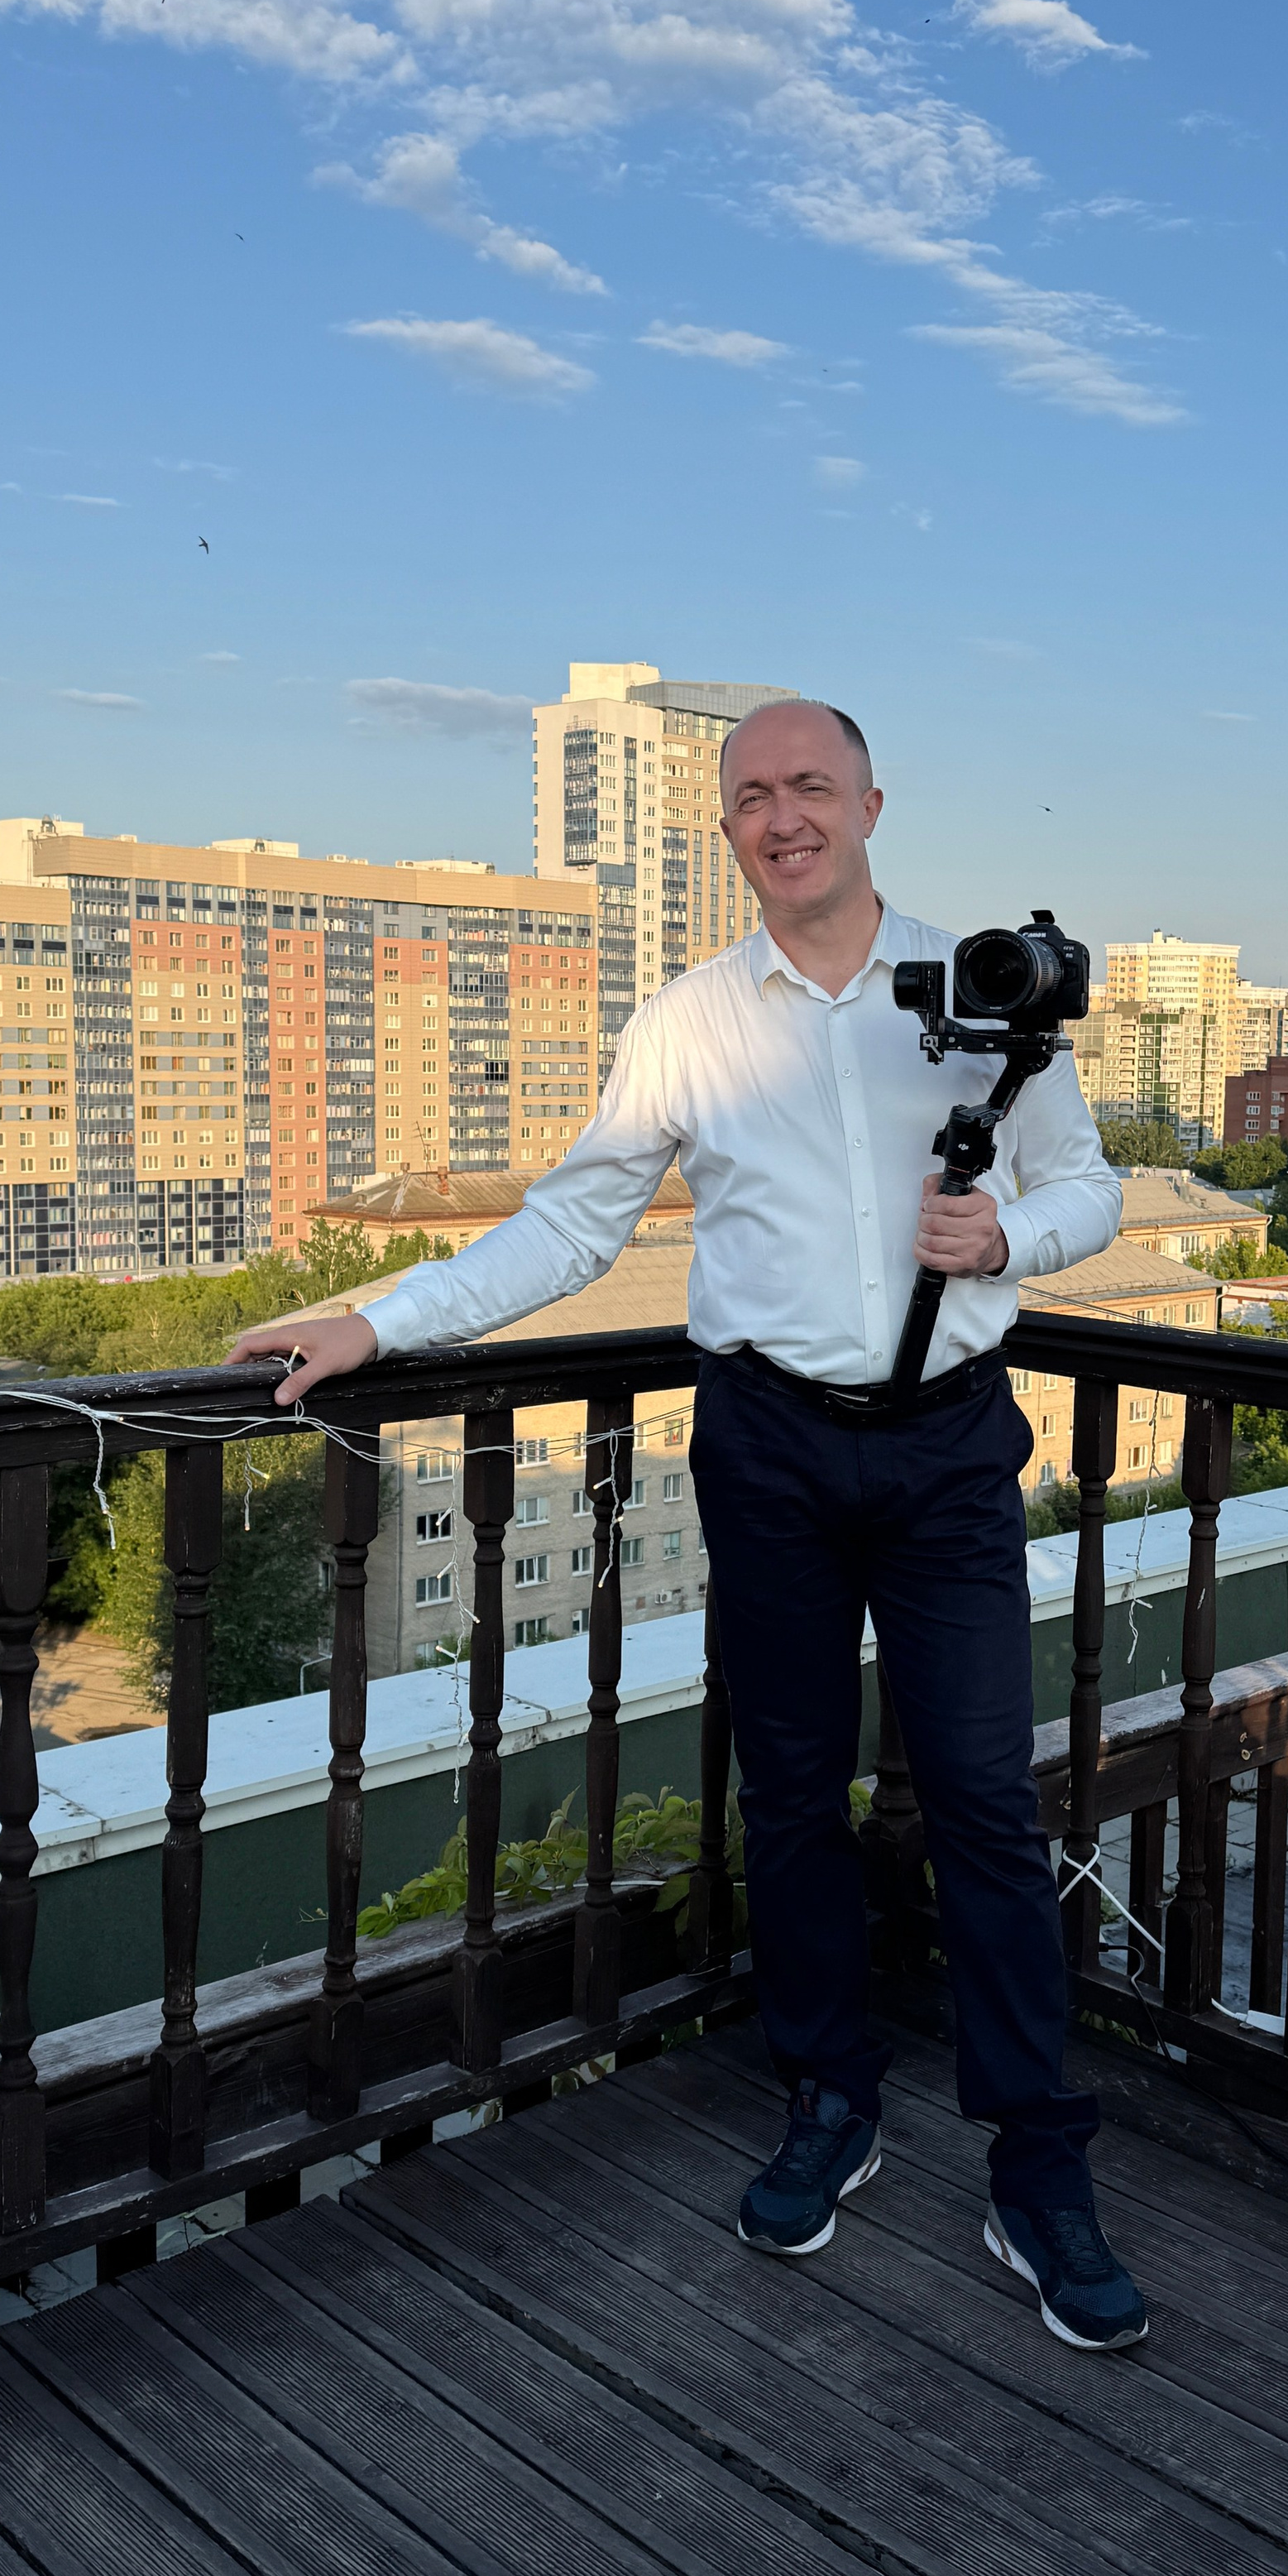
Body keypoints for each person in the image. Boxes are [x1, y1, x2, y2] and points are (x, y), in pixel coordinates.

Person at [228, 698, 1147, 2352]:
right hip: (769, 1444)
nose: (782, 816)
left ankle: (1037, 2163)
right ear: (727, 828)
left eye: (811, 787)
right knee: (788, 1796)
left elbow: (1090, 1185)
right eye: (751, 796)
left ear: (871, 803)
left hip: (946, 1452)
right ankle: (829, 2101)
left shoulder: (983, 989)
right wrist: (376, 1319)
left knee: (985, 1809)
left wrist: (1006, 1239)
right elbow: (572, 1226)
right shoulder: (684, 1022)